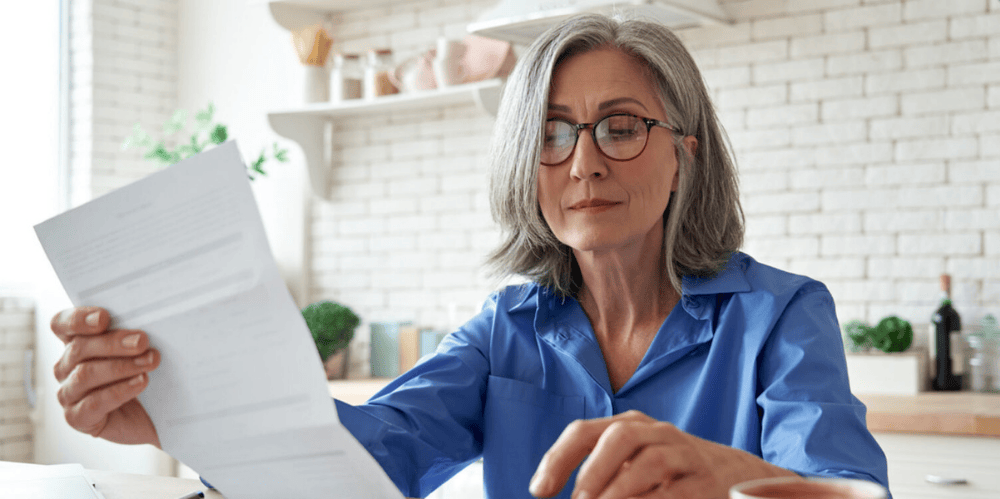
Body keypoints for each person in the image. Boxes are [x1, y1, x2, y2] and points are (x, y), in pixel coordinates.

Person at [50, 13, 889, 499]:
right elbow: (358, 457)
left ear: (686, 155)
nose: (584, 160)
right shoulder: (506, 330)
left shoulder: (779, 314)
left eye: (621, 126)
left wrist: (731, 476)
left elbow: (850, 491)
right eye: (552, 133)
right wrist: (180, 414)